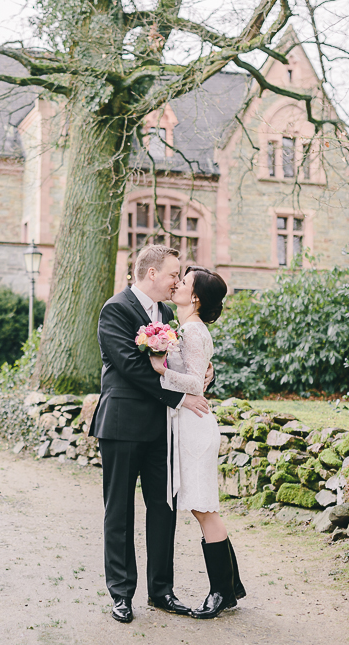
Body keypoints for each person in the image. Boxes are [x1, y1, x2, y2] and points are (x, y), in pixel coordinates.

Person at [88, 245, 213, 624]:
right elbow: (129, 367)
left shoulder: (168, 314)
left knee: (164, 510)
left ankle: (162, 592)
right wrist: (181, 397)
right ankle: (122, 594)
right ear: (152, 273)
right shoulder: (116, 309)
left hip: (161, 429)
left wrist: (206, 376)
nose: (178, 280)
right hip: (122, 425)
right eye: (174, 273)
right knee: (119, 512)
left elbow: (179, 362)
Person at [148, 265, 245, 619]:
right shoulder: (187, 328)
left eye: (184, 282)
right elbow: (200, 373)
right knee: (202, 507)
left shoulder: (190, 330)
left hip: (195, 426)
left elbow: (195, 384)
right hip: (189, 425)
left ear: (196, 297)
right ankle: (231, 588)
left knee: (204, 508)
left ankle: (220, 593)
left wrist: (160, 371)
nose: (177, 284)